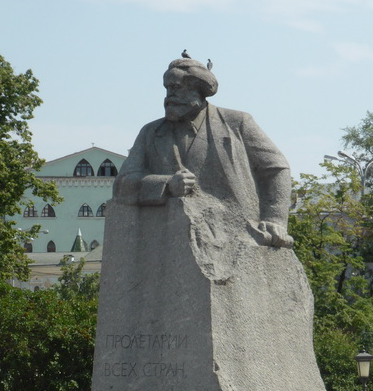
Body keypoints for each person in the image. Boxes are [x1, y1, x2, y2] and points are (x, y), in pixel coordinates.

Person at [118, 56, 293, 248]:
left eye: (175, 88)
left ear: (197, 88)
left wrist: (274, 219)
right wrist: (166, 185)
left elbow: (277, 168)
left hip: (239, 233)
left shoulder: (236, 123)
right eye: (167, 89)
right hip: (172, 243)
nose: (169, 96)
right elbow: (123, 184)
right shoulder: (151, 132)